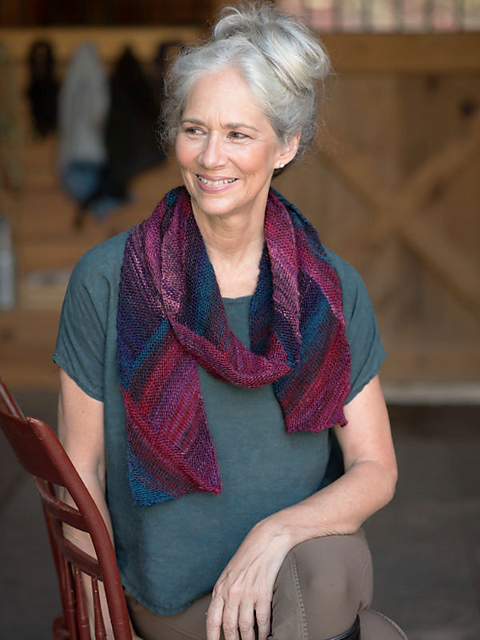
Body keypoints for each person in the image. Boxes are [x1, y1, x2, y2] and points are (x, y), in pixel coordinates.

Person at [54, 3, 408, 639]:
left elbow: (375, 467)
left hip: (303, 568)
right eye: (195, 130)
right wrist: (98, 604)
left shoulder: (330, 288)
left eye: (239, 135)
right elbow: (79, 469)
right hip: (177, 597)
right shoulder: (106, 279)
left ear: (286, 146)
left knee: (323, 578)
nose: (211, 157)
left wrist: (274, 534)